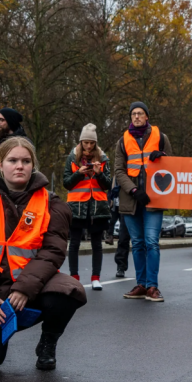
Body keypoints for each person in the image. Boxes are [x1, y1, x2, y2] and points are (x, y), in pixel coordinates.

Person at [0, 137, 86, 371]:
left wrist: (24, 288)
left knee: (68, 292)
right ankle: (5, 325)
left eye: (26, 160)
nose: (19, 166)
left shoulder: (52, 203)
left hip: (34, 284)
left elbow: (52, 252)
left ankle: (47, 342)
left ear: (33, 165)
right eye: (12, 160)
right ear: (1, 164)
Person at [115, 102, 173, 302]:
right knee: (137, 243)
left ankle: (152, 287)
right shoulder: (122, 140)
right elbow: (119, 170)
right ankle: (141, 284)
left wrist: (162, 156)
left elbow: (173, 165)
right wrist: (132, 189)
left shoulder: (161, 138)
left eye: (140, 113)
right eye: (133, 114)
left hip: (154, 198)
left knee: (151, 243)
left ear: (147, 116)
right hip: (131, 199)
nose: (137, 116)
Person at [63, 124, 112, 290]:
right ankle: (74, 277)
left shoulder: (103, 158)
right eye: (86, 143)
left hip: (98, 206)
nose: (89, 146)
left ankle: (95, 278)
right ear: (81, 141)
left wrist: (99, 173)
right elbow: (66, 183)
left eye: (92, 143)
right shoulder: (72, 157)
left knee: (97, 244)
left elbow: (107, 185)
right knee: (74, 243)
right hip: (76, 205)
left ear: (95, 143)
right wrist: (79, 173)